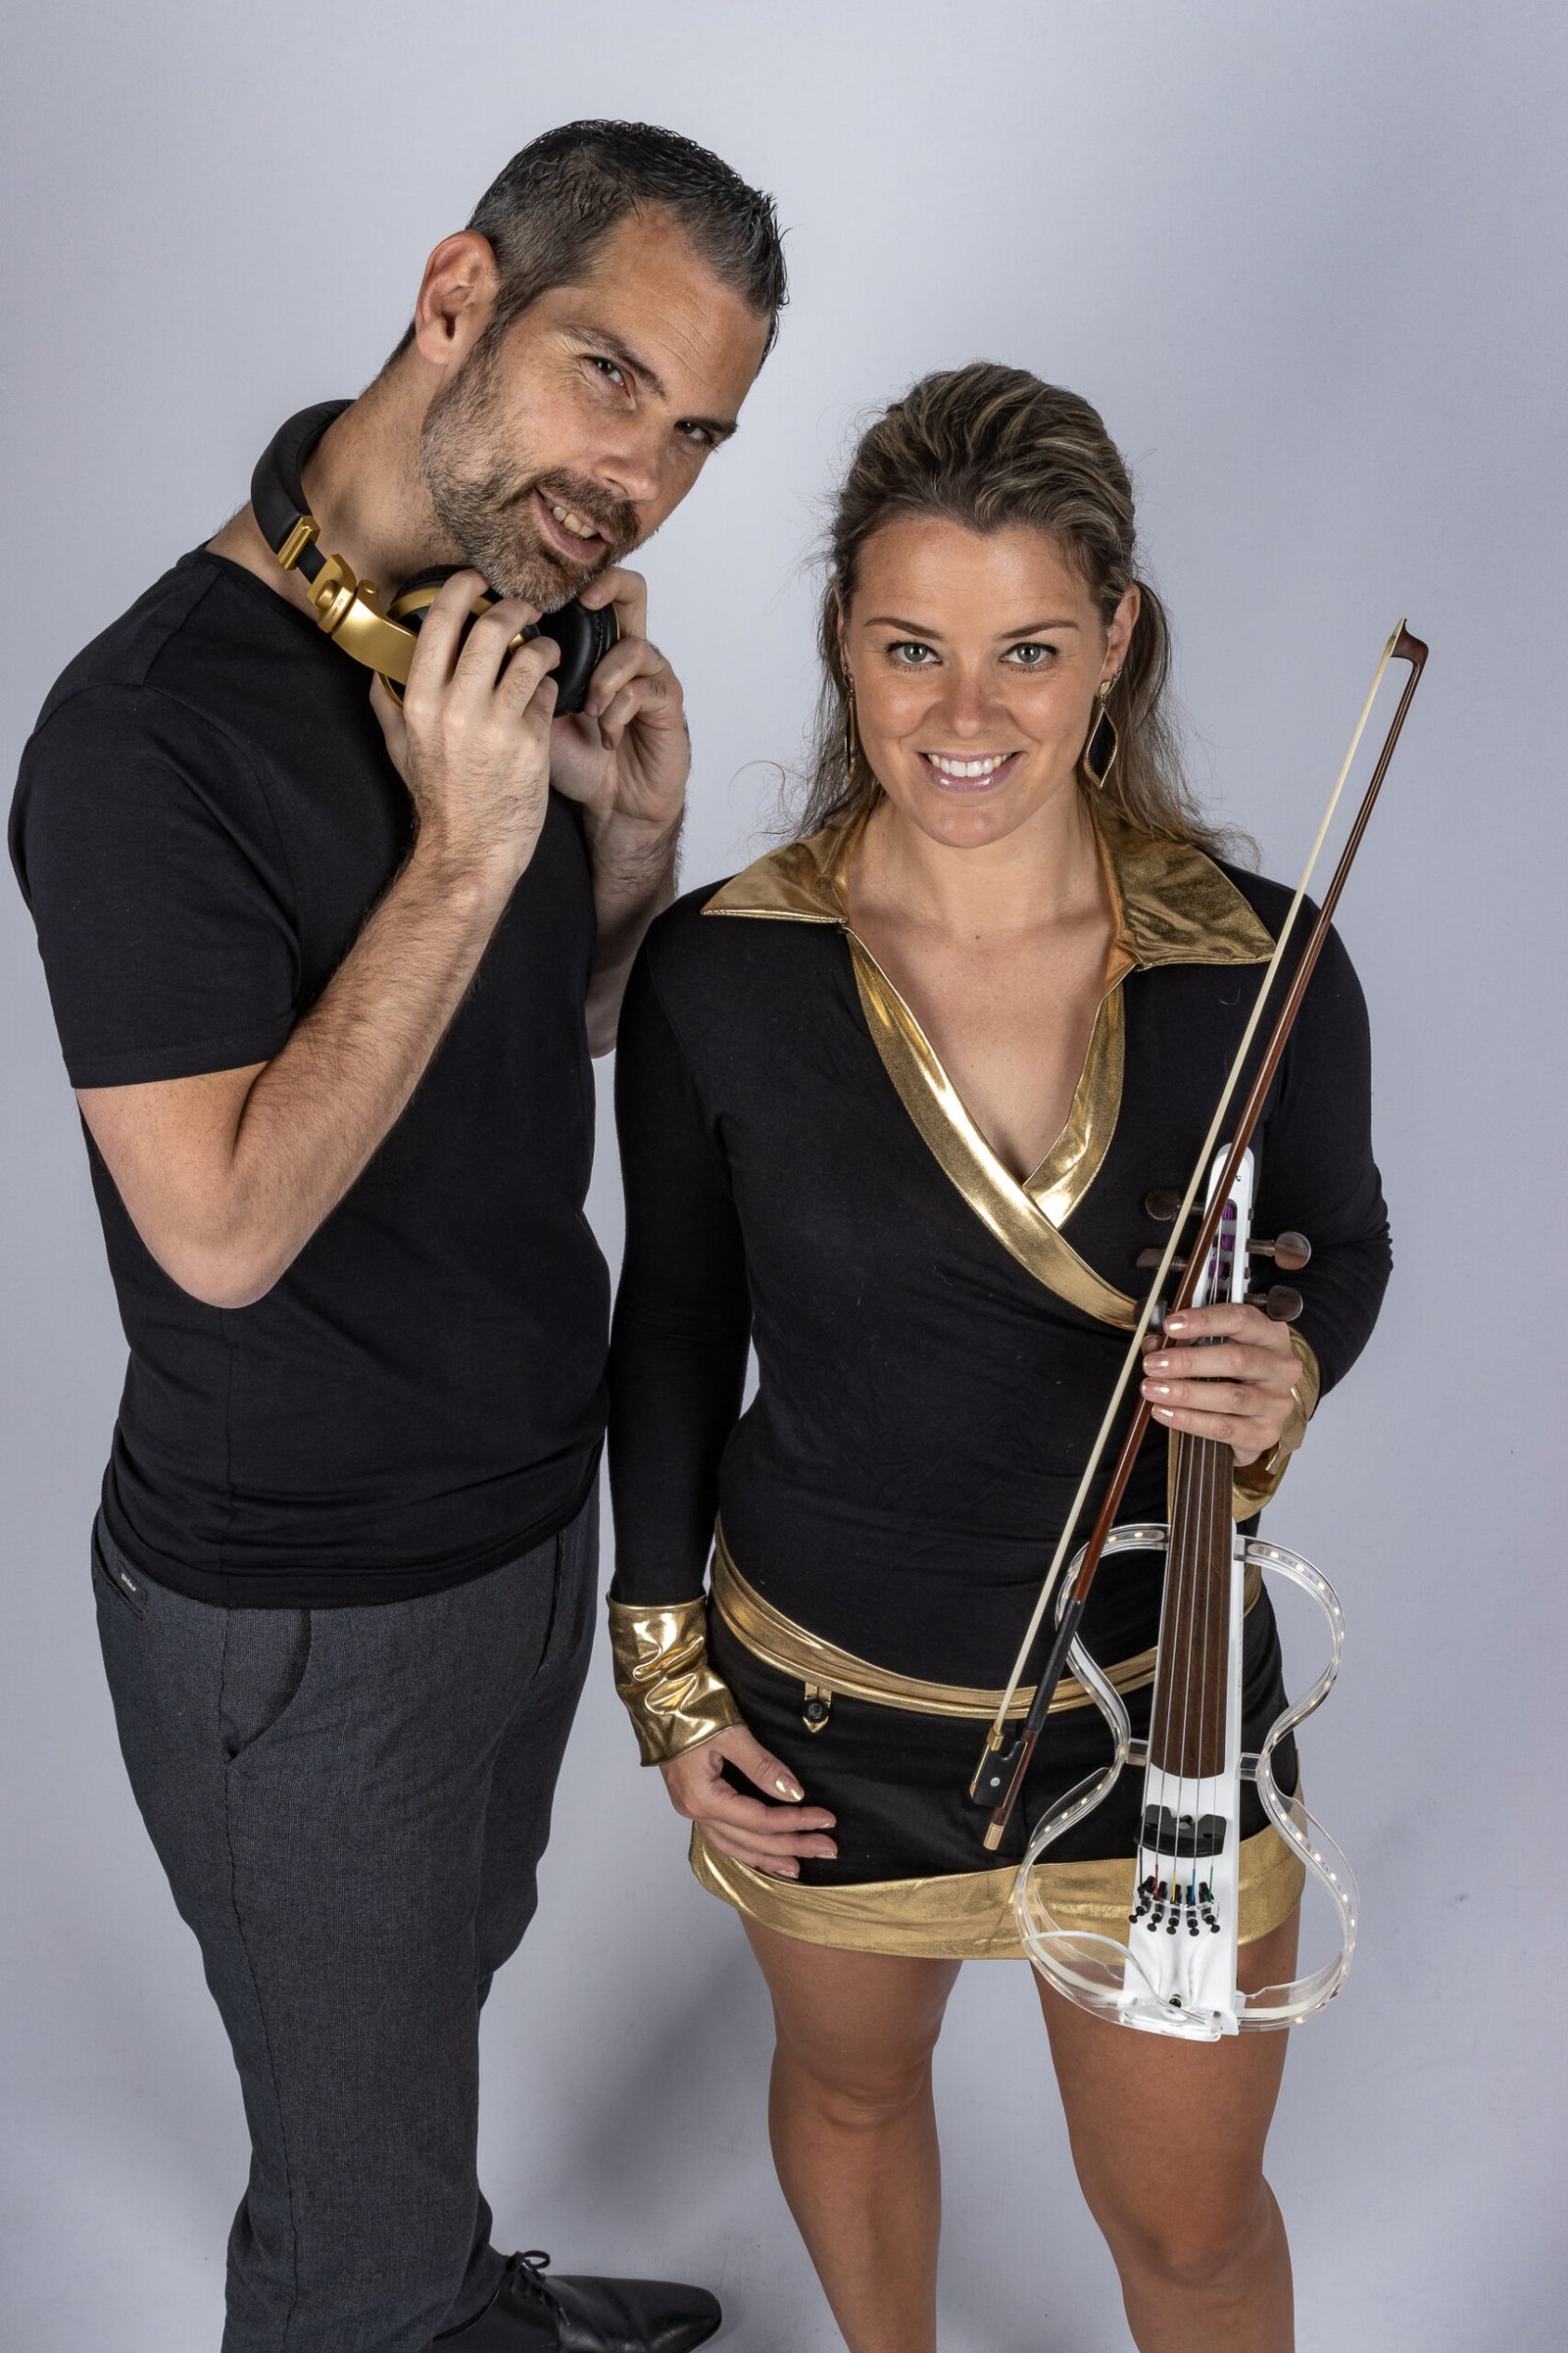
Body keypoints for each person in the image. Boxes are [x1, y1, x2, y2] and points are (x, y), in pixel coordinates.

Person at [9, 122, 785, 2353]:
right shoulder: (138, 737)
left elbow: (532, 1040)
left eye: (697, 433)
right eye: (610, 374)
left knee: (420, 2032)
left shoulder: (502, 639)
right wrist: (460, 850)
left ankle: (448, 2286)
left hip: (521, 1522)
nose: (641, 477)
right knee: (337, 2222)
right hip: (306, 1611)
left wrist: (613, 861)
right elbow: (224, 1229)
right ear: (459, 294)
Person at [606, 363, 1392, 2353]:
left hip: (1161, 1707)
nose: (966, 713)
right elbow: (676, 1324)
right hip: (822, 1707)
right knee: (854, 2086)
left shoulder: (1262, 958)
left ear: (1114, 639)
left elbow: (1343, 1244)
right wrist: (667, 1676)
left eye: (1028, 648)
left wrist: (1287, 1365)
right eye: (911, 648)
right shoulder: (722, 968)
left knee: (1191, 2234)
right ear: (841, 644)